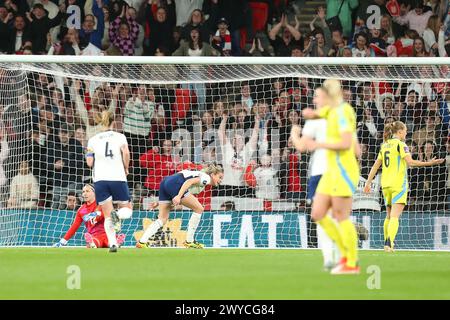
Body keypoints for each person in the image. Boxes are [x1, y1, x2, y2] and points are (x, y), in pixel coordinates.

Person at [302, 79, 360, 274]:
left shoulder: (343, 112)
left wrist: (319, 144)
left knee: (341, 216)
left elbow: (345, 143)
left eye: (322, 95)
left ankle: (350, 262)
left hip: (343, 170)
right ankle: (345, 250)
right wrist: (310, 114)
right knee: (317, 213)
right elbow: (319, 113)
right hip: (331, 171)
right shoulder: (332, 110)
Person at [364, 121, 444, 252]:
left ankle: (386, 243)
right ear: (400, 131)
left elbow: (375, 166)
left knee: (388, 215)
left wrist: (368, 182)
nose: (406, 133)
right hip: (398, 184)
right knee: (395, 216)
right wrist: (430, 163)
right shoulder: (401, 145)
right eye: (405, 131)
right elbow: (410, 162)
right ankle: (390, 243)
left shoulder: (384, 145)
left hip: (386, 185)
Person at [290, 87, 338, 271]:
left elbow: (302, 146)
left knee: (319, 216)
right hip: (338, 170)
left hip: (321, 172)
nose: (315, 100)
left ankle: (329, 257)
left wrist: (294, 132)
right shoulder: (340, 117)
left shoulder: (315, 119)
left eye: (317, 96)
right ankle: (332, 255)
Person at [136, 164, 223, 249]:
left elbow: (179, 187)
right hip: (175, 184)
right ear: (212, 175)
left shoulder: (198, 176)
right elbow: (188, 182)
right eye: (220, 177)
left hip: (165, 182)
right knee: (199, 209)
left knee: (162, 219)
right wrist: (178, 196)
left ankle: (142, 242)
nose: (221, 180)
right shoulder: (206, 178)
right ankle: (189, 241)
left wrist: (158, 202)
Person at [85, 110, 133, 253]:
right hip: (117, 177)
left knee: (107, 215)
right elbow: (125, 152)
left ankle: (113, 244)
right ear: (113, 122)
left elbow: (89, 162)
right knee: (127, 210)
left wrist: (90, 153)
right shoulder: (120, 137)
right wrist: (126, 168)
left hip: (100, 180)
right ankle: (117, 216)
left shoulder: (92, 139)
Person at [53, 184, 125, 248]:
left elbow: (109, 217)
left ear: (95, 193)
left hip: (108, 234)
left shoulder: (103, 204)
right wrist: (63, 241)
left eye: (87, 191)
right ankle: (93, 243)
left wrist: (98, 214)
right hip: (95, 236)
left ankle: (116, 243)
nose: (84, 194)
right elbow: (74, 226)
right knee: (93, 243)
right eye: (83, 192)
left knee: (110, 243)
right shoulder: (81, 210)